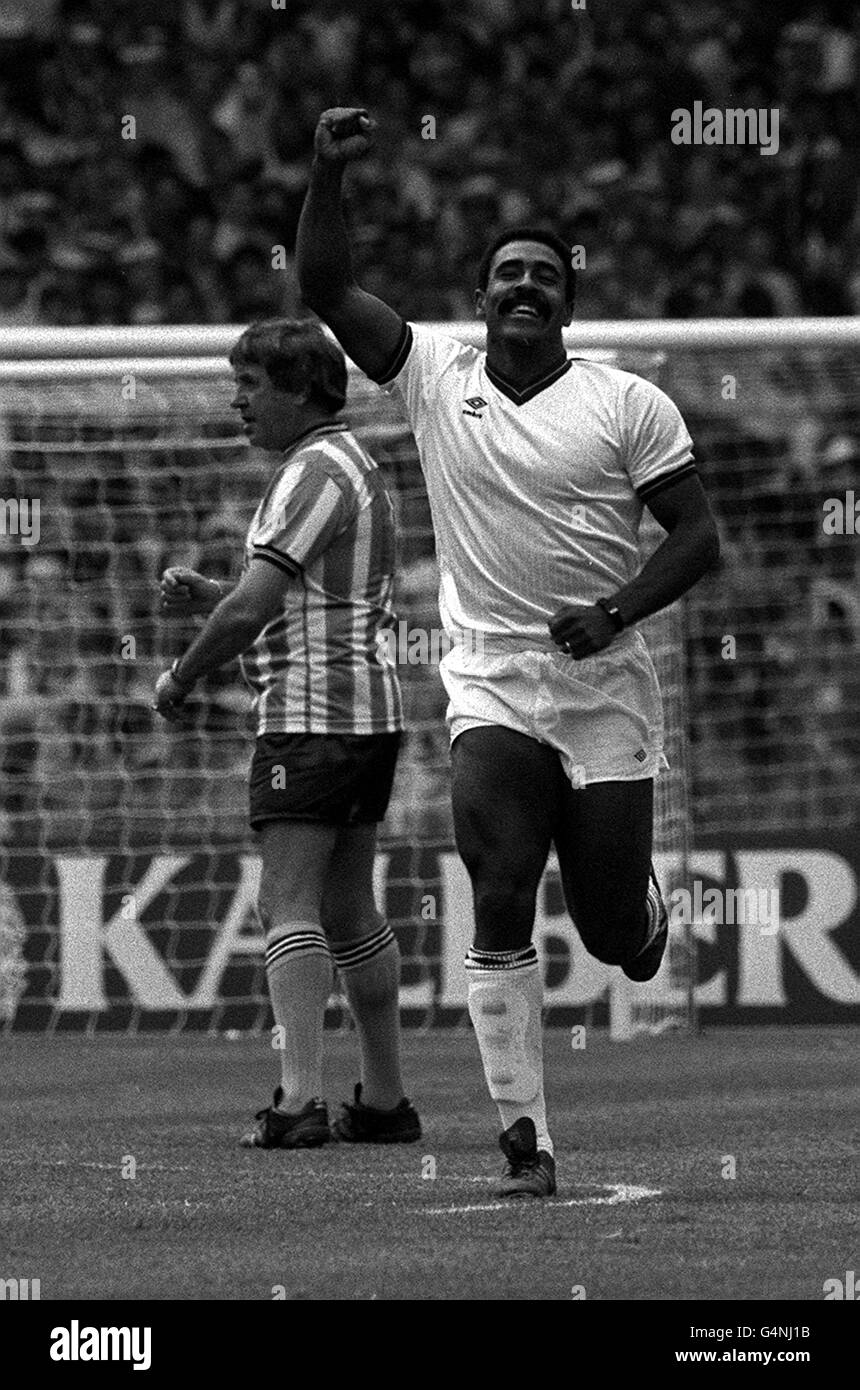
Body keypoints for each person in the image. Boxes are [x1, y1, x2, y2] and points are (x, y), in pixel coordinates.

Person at [296, 109, 720, 1198]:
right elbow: (327, 293)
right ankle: (523, 1139)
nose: (522, 286)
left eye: (541, 273)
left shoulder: (626, 401)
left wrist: (617, 610)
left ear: (565, 298)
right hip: (487, 679)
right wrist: (325, 175)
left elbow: (697, 537)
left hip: (604, 686)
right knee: (496, 886)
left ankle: (638, 923)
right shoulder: (434, 375)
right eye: (503, 274)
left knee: (611, 924)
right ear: (480, 297)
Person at [153, 317, 420, 1150]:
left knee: (285, 902)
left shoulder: (311, 471)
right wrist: (214, 594)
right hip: (367, 714)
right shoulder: (360, 465)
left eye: (251, 385)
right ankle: (383, 1099)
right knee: (350, 908)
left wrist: (181, 676)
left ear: (303, 389)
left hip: (310, 717)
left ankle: (299, 1099)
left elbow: (256, 608)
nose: (238, 401)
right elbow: (309, 597)